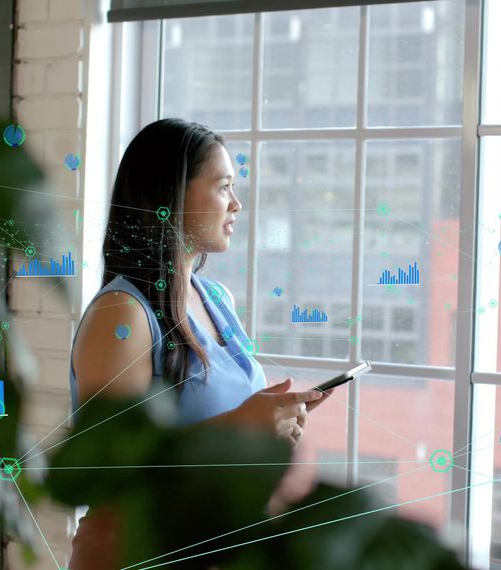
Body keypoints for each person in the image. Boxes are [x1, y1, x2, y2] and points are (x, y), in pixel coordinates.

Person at [67, 118, 332, 569]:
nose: (237, 204)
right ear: (171, 197)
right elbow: (110, 475)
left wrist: (269, 426)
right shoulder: (121, 315)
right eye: (223, 186)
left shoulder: (216, 299)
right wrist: (239, 427)